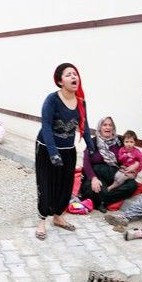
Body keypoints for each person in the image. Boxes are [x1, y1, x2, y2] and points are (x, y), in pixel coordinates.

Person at [35, 63, 95, 240]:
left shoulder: (81, 102)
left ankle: (58, 217)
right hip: (47, 148)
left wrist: (91, 147)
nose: (73, 77)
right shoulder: (52, 100)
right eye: (68, 75)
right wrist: (53, 152)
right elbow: (45, 126)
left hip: (68, 149)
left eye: (75, 74)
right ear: (60, 81)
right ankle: (41, 220)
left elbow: (84, 126)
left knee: (65, 185)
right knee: (46, 184)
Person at [78, 117, 138, 212]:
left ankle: (102, 201)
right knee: (92, 189)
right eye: (105, 125)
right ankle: (103, 199)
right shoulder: (93, 141)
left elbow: (134, 152)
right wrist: (93, 179)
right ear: (100, 128)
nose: (108, 127)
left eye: (110, 125)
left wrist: (134, 167)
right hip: (97, 175)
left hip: (115, 174)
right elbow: (86, 161)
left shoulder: (119, 141)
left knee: (132, 185)